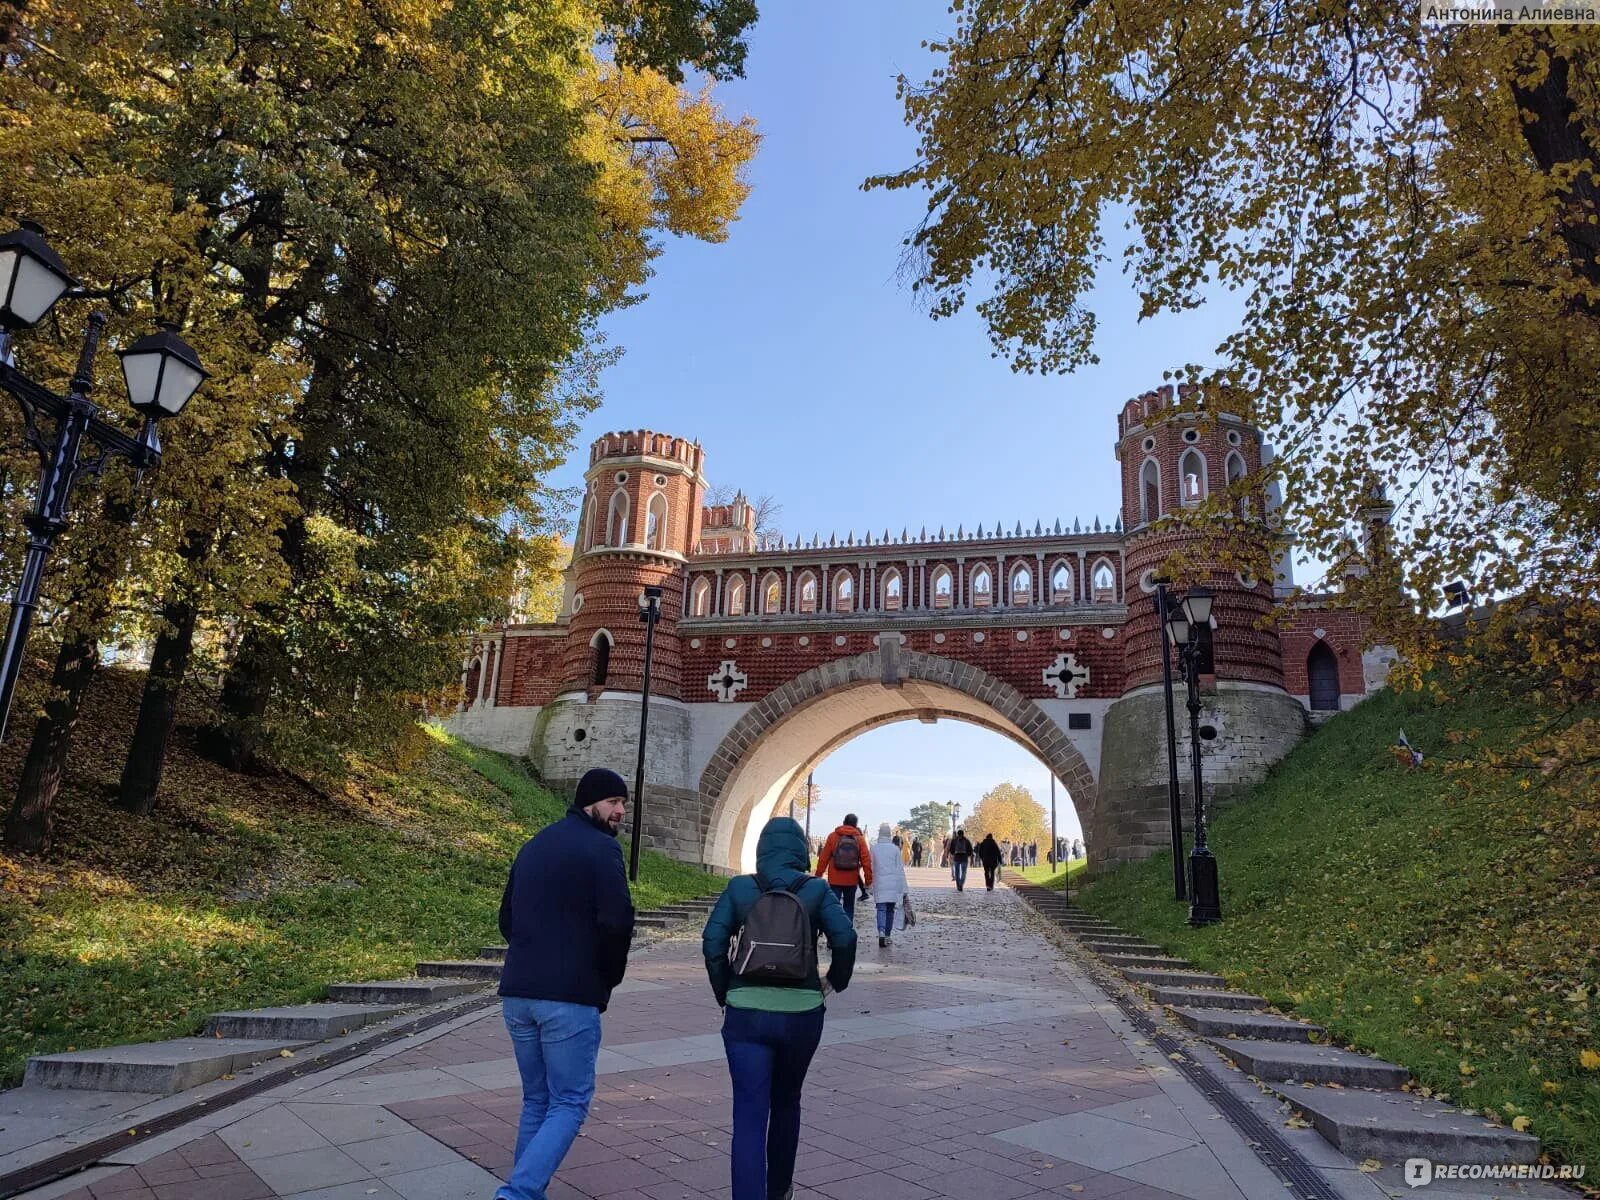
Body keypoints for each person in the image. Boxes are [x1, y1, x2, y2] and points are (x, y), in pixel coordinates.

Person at [496, 768, 635, 1200]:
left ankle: (527, 1192)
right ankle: (516, 1195)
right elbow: (617, 923)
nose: (620, 812)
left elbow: (506, 919)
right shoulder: (602, 851)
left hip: (518, 994)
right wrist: (607, 978)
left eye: (623, 804)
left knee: (538, 1101)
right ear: (590, 801)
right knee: (570, 1103)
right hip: (569, 999)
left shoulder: (534, 845)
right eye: (613, 802)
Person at [703, 818, 857, 1200]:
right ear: (798, 850)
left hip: (745, 1014)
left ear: (762, 848)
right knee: (787, 1100)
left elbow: (712, 942)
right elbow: (846, 936)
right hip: (801, 1013)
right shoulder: (816, 891)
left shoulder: (741, 888)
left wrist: (726, 991)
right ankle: (780, 1191)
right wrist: (834, 981)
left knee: (749, 1115)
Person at [815, 813, 873, 919]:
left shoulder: (833, 836)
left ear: (843, 822)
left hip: (834, 879)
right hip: (851, 879)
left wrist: (818, 874)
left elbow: (824, 858)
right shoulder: (859, 839)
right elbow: (866, 861)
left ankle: (834, 930)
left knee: (834, 906)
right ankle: (847, 931)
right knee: (849, 907)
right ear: (855, 825)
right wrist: (868, 880)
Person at [869, 823, 909, 948]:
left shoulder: (874, 849)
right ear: (889, 834)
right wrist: (904, 888)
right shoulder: (895, 849)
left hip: (879, 882)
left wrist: (869, 884)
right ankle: (887, 935)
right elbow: (900, 869)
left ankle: (880, 931)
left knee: (881, 909)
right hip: (893, 883)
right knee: (890, 910)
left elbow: (870, 867)